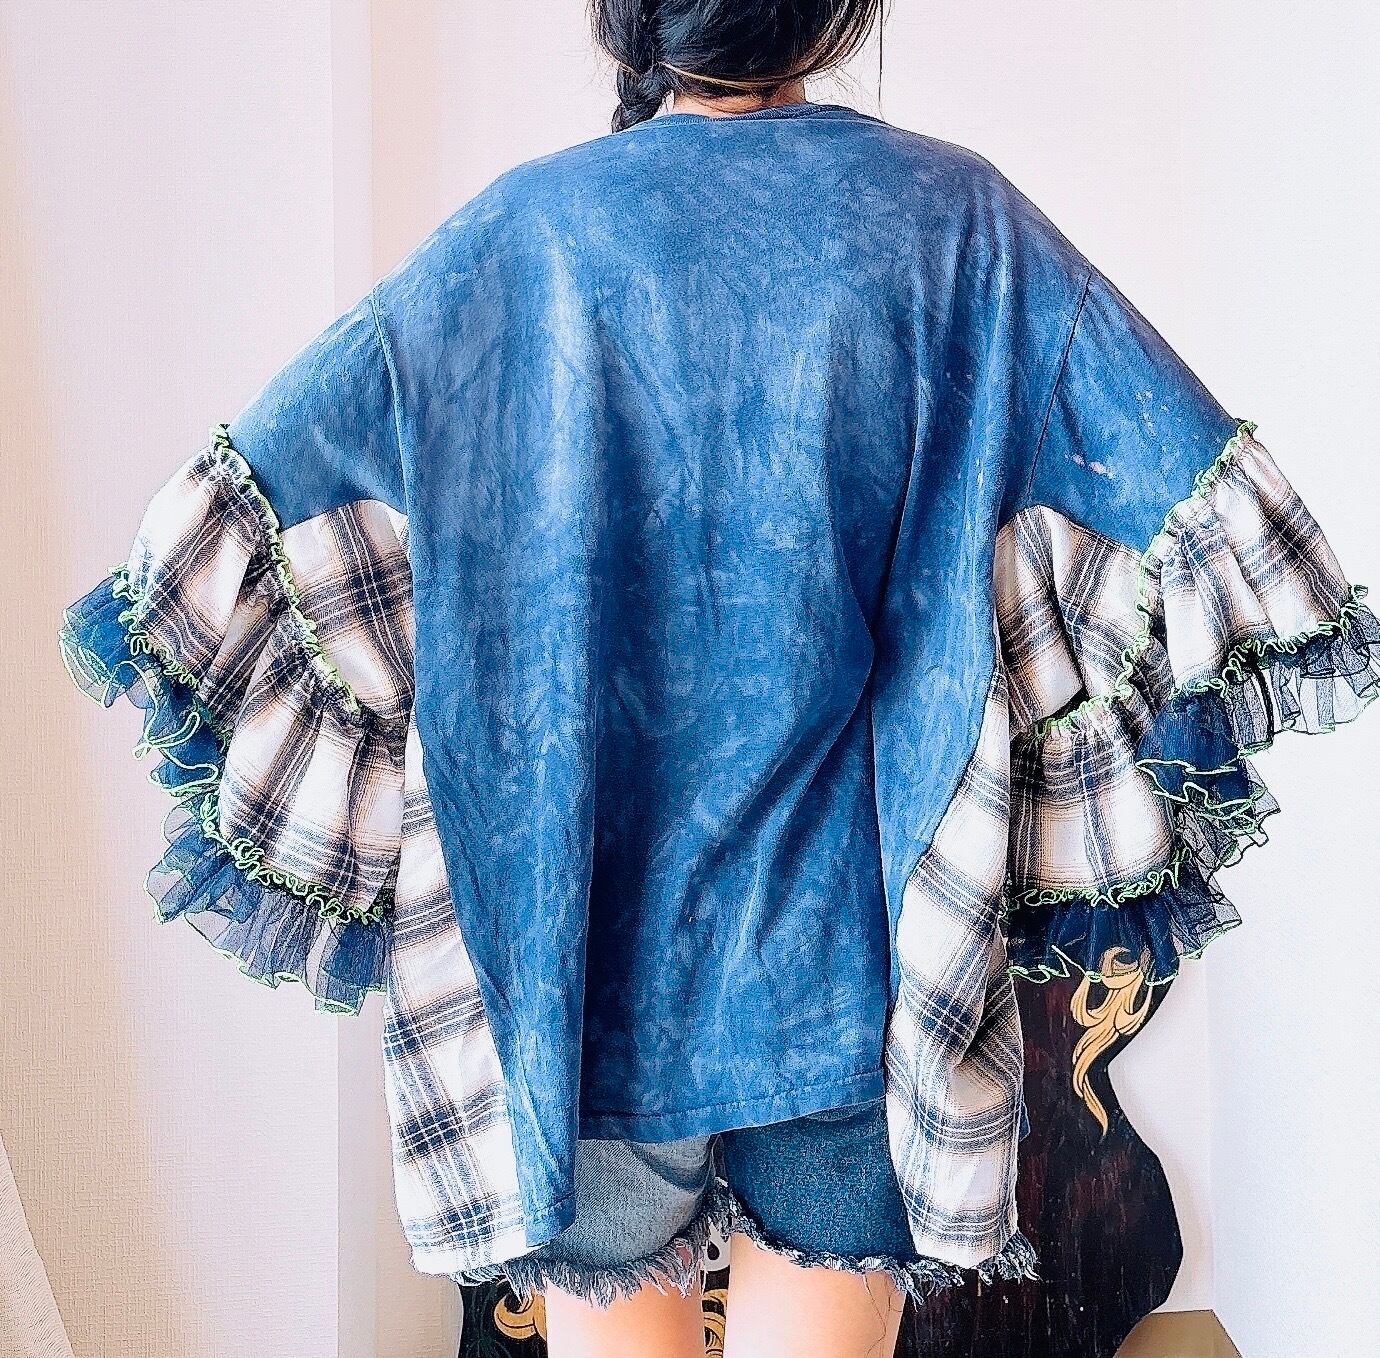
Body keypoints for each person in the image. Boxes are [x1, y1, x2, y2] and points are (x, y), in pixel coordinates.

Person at [58, 2, 1379, 1356]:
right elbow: (1192, 496)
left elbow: (250, 509)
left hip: (587, 984)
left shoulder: (521, 238)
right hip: (849, 981)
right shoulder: (956, 223)